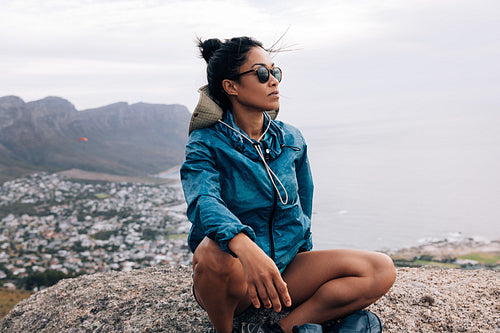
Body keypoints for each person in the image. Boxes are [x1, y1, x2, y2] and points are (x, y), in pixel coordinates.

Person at [180, 36, 396, 333]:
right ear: (231, 86)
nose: (273, 82)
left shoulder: (290, 139)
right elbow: (203, 200)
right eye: (261, 74)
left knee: (379, 269)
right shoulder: (205, 142)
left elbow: (302, 208)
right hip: (236, 279)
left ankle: (283, 329)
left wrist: (304, 257)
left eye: (275, 72)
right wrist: (245, 247)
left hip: (284, 270)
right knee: (209, 253)